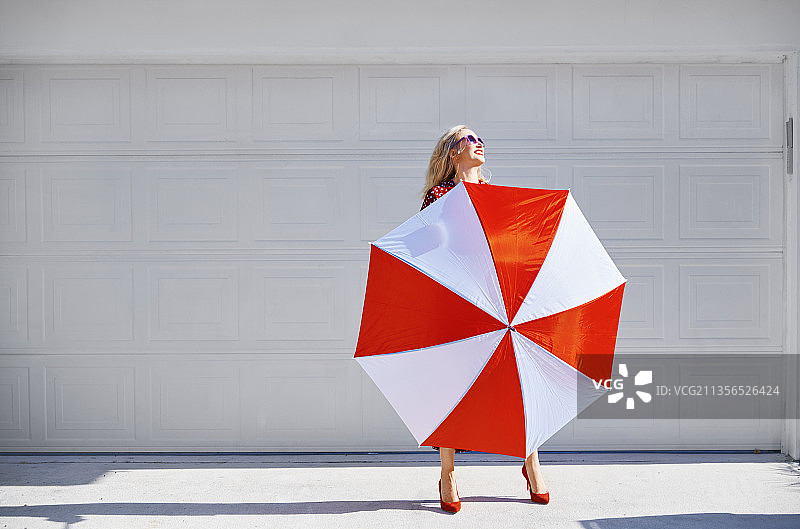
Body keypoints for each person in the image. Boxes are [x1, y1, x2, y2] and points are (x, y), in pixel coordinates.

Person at [420, 125, 550, 513]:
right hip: (460, 300)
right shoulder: (440, 195)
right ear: (451, 153)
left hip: (500, 300)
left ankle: (532, 463)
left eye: (480, 138)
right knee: (453, 388)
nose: (478, 143)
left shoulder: (497, 197)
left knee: (516, 381)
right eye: (467, 139)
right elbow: (434, 245)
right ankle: (447, 474)